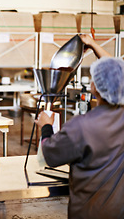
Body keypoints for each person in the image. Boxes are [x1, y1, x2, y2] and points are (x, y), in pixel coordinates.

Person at [35, 39, 124, 217]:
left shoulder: (81, 126)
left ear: (94, 87)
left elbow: (49, 154)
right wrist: (92, 44)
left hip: (89, 211)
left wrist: (46, 126)